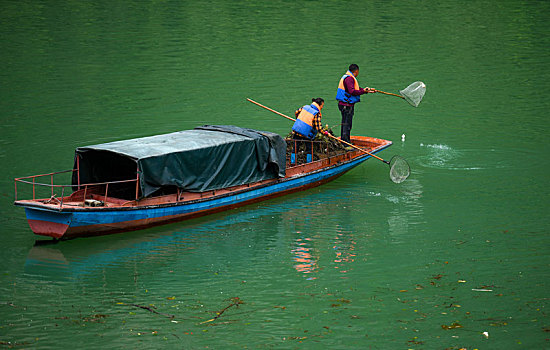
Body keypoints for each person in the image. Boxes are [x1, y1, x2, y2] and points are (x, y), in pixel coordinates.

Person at [336, 64, 375, 144]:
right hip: (346, 105)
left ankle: (345, 140)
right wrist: (363, 91)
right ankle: (345, 143)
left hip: (343, 104)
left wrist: (366, 90)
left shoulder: (346, 77)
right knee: (347, 124)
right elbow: (352, 91)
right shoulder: (349, 78)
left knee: (345, 123)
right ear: (356, 71)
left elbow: (355, 89)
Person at [291, 97, 329, 164]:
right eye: (322, 105)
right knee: (309, 148)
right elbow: (318, 128)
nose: (322, 107)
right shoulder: (316, 113)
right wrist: (325, 133)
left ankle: (293, 162)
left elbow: (296, 112)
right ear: (319, 105)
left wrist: (300, 121)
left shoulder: (305, 107)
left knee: (295, 147)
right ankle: (309, 163)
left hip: (297, 130)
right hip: (306, 133)